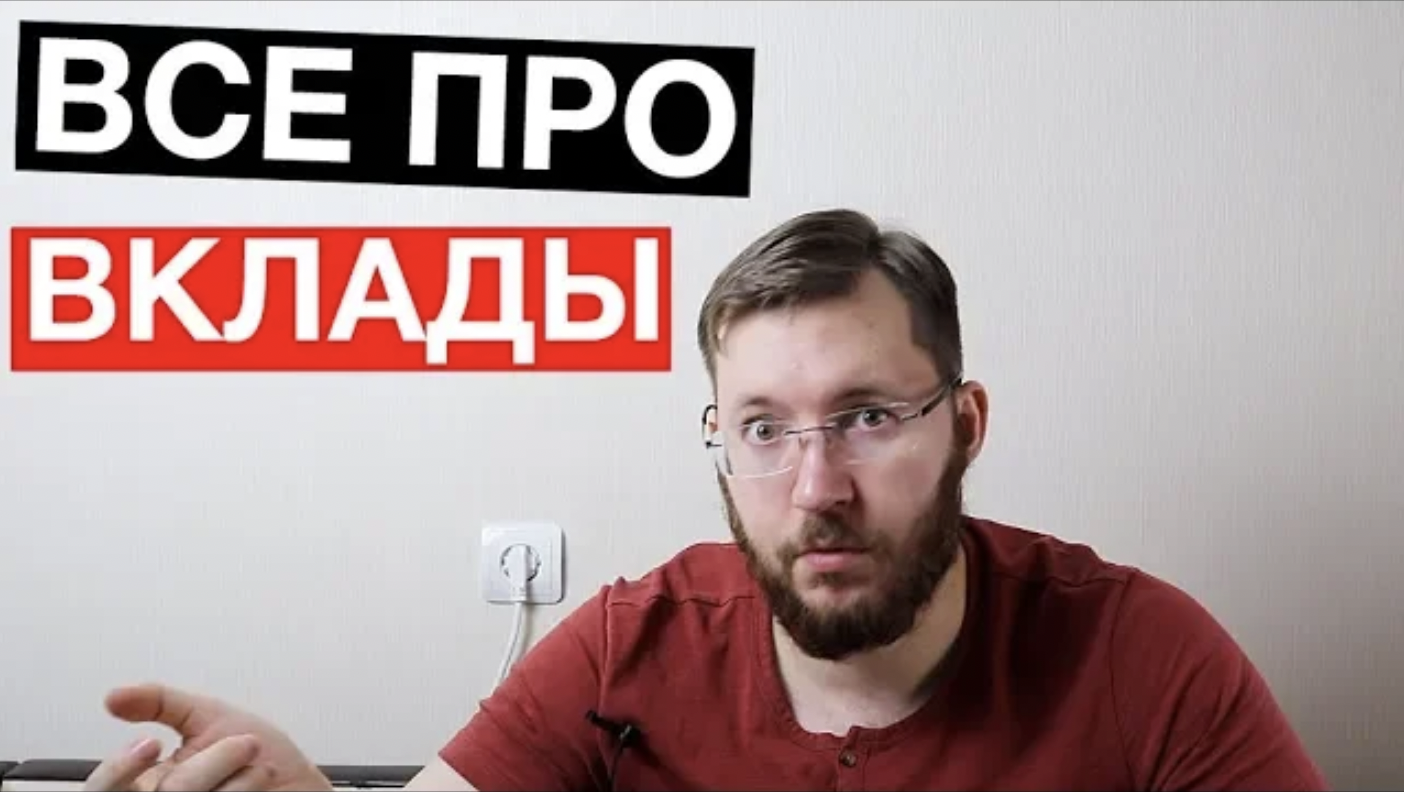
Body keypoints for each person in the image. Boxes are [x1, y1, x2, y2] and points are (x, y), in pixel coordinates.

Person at [83, 209, 1329, 792]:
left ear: (965, 425)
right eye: (763, 430)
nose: (817, 488)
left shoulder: (1145, 659)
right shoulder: (631, 646)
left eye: (868, 416)